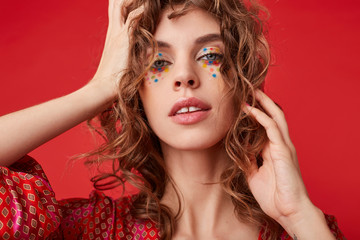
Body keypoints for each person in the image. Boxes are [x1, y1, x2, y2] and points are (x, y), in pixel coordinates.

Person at [0, 0, 346, 239]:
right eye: (158, 63)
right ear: (134, 91)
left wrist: (298, 215)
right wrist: (98, 90)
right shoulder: (90, 230)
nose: (184, 76)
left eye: (209, 54)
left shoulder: (306, 229)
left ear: (241, 80)